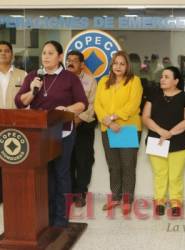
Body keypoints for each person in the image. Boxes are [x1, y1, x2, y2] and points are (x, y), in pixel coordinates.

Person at [15, 40, 88, 227]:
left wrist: (66, 109)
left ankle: (60, 219)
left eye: (50, 53)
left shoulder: (70, 78)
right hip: (39, 135)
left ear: (60, 56)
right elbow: (19, 102)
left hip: (63, 134)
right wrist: (32, 91)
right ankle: (43, 217)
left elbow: (82, 103)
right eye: (44, 53)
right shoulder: (33, 76)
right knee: (43, 176)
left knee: (61, 174)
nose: (46, 57)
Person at [94, 50, 143, 215]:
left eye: (122, 63)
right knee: (113, 166)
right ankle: (115, 198)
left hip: (127, 128)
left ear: (127, 66)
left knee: (127, 165)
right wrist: (107, 121)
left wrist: (113, 118)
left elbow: (133, 105)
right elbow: (97, 104)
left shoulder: (134, 81)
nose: (118, 66)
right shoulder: (103, 81)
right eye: (116, 63)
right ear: (111, 64)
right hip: (107, 128)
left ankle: (127, 200)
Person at [142, 66, 185, 217]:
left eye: (166, 77)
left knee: (175, 175)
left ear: (176, 81)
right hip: (156, 140)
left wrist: (170, 133)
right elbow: (145, 117)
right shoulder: (153, 95)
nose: (162, 79)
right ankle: (160, 201)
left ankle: (176, 202)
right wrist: (161, 132)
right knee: (160, 173)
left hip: (179, 142)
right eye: (161, 76)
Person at [66, 50, 97, 208]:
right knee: (67, 160)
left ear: (82, 64)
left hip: (84, 125)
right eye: (68, 60)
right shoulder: (61, 79)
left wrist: (78, 119)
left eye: (74, 61)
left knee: (83, 161)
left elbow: (92, 104)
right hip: (63, 126)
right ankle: (69, 193)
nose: (70, 63)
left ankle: (80, 193)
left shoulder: (90, 80)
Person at [0, 40, 26, 203]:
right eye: (0, 51)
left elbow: (28, 103)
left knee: (13, 162)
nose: (3, 53)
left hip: (15, 126)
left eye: (6, 51)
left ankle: (12, 196)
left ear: (12, 55)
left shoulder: (22, 75)